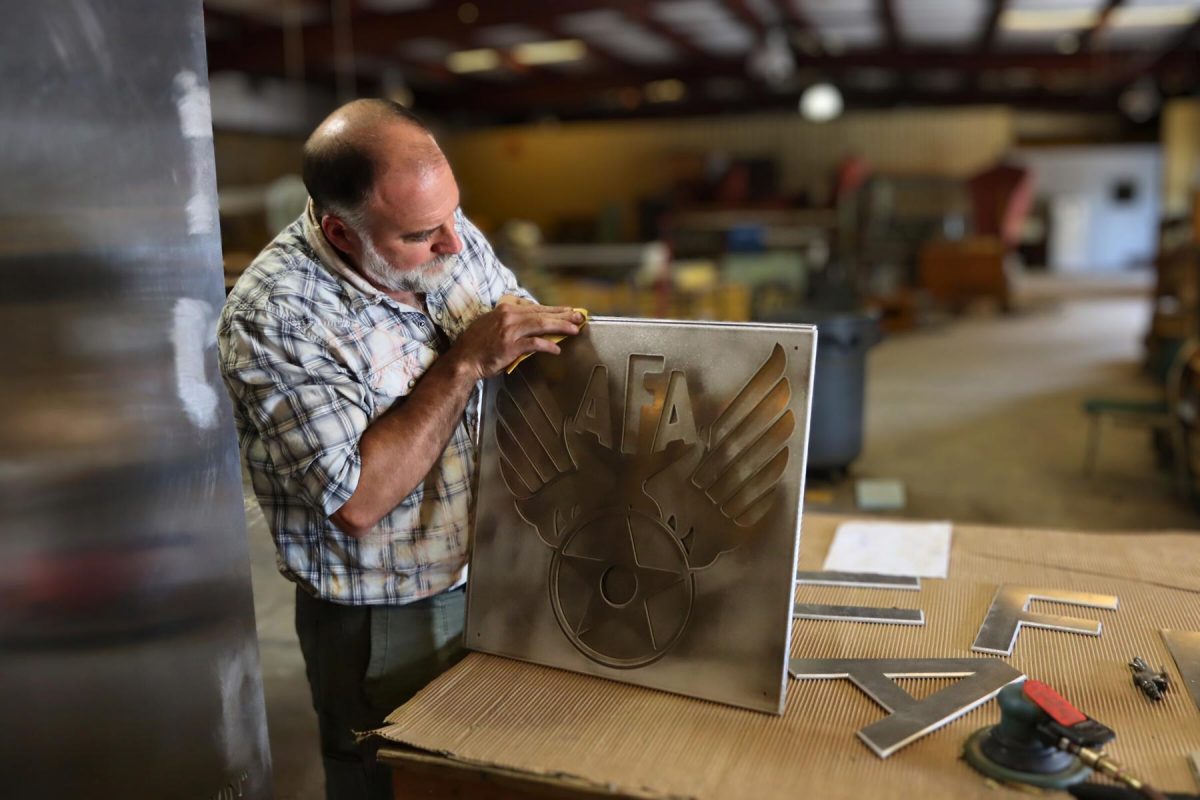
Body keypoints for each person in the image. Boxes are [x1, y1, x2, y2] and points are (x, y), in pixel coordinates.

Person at [217, 99, 583, 800]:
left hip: (490, 577)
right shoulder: (277, 315)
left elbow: (515, 325)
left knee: (479, 777)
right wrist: (464, 363)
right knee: (393, 782)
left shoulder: (443, 228)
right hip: (387, 616)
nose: (453, 243)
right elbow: (357, 501)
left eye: (454, 216)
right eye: (422, 234)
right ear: (341, 232)